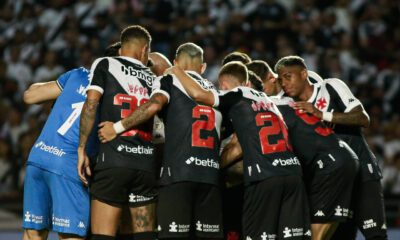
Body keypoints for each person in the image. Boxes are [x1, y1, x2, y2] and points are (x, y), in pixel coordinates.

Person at [167, 61, 311, 240]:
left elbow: (199, 95)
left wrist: (177, 71)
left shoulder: (237, 94)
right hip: (293, 174)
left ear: (225, 86)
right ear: (248, 82)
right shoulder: (269, 100)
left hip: (264, 176)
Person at [97, 42, 224, 240]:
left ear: (174, 63)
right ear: (203, 68)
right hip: (211, 177)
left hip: (177, 175)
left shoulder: (167, 81)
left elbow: (154, 105)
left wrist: (116, 128)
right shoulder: (216, 94)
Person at [274, 56, 387, 240]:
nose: (284, 83)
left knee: (375, 235)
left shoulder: (330, 86)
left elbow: (362, 118)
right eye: (280, 80)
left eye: (288, 76)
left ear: (304, 73)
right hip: (332, 180)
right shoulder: (288, 106)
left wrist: (322, 114)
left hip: (362, 173)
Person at [21, 42, 121, 240]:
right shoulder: (116, 91)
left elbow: (30, 96)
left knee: (33, 233)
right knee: (71, 236)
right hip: (69, 165)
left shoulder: (76, 75)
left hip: (39, 157)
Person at [78, 25, 157, 240]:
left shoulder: (106, 63)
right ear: (144, 50)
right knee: (145, 236)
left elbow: (91, 103)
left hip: (113, 160)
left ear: (121, 49)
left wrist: (82, 147)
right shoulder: (154, 78)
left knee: (103, 236)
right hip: (146, 165)